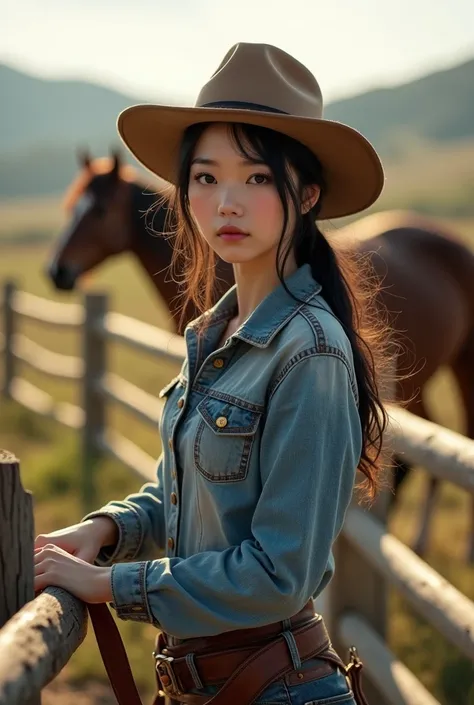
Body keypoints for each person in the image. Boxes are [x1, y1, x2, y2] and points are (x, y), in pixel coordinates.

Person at [34, 42, 391, 705]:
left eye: (256, 178)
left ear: (306, 193)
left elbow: (279, 573)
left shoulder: (310, 352)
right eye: (205, 177)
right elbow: (196, 496)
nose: (227, 201)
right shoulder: (214, 333)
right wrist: (106, 531)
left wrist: (112, 585)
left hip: (273, 686)